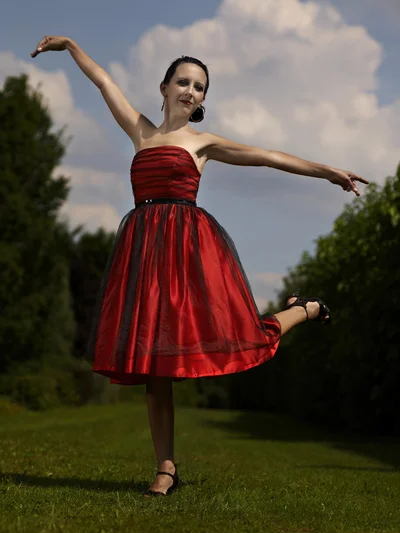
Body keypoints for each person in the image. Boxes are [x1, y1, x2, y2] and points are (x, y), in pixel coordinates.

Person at [31, 36, 369, 497]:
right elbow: (103, 81)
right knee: (154, 366)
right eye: (183, 82)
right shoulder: (140, 132)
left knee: (240, 333)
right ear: (165, 87)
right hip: (144, 252)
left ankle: (304, 309)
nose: (191, 91)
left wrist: (328, 171)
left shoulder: (203, 143)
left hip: (187, 253)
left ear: (202, 100)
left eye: (200, 87)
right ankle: (166, 469)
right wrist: (71, 47)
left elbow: (269, 157)